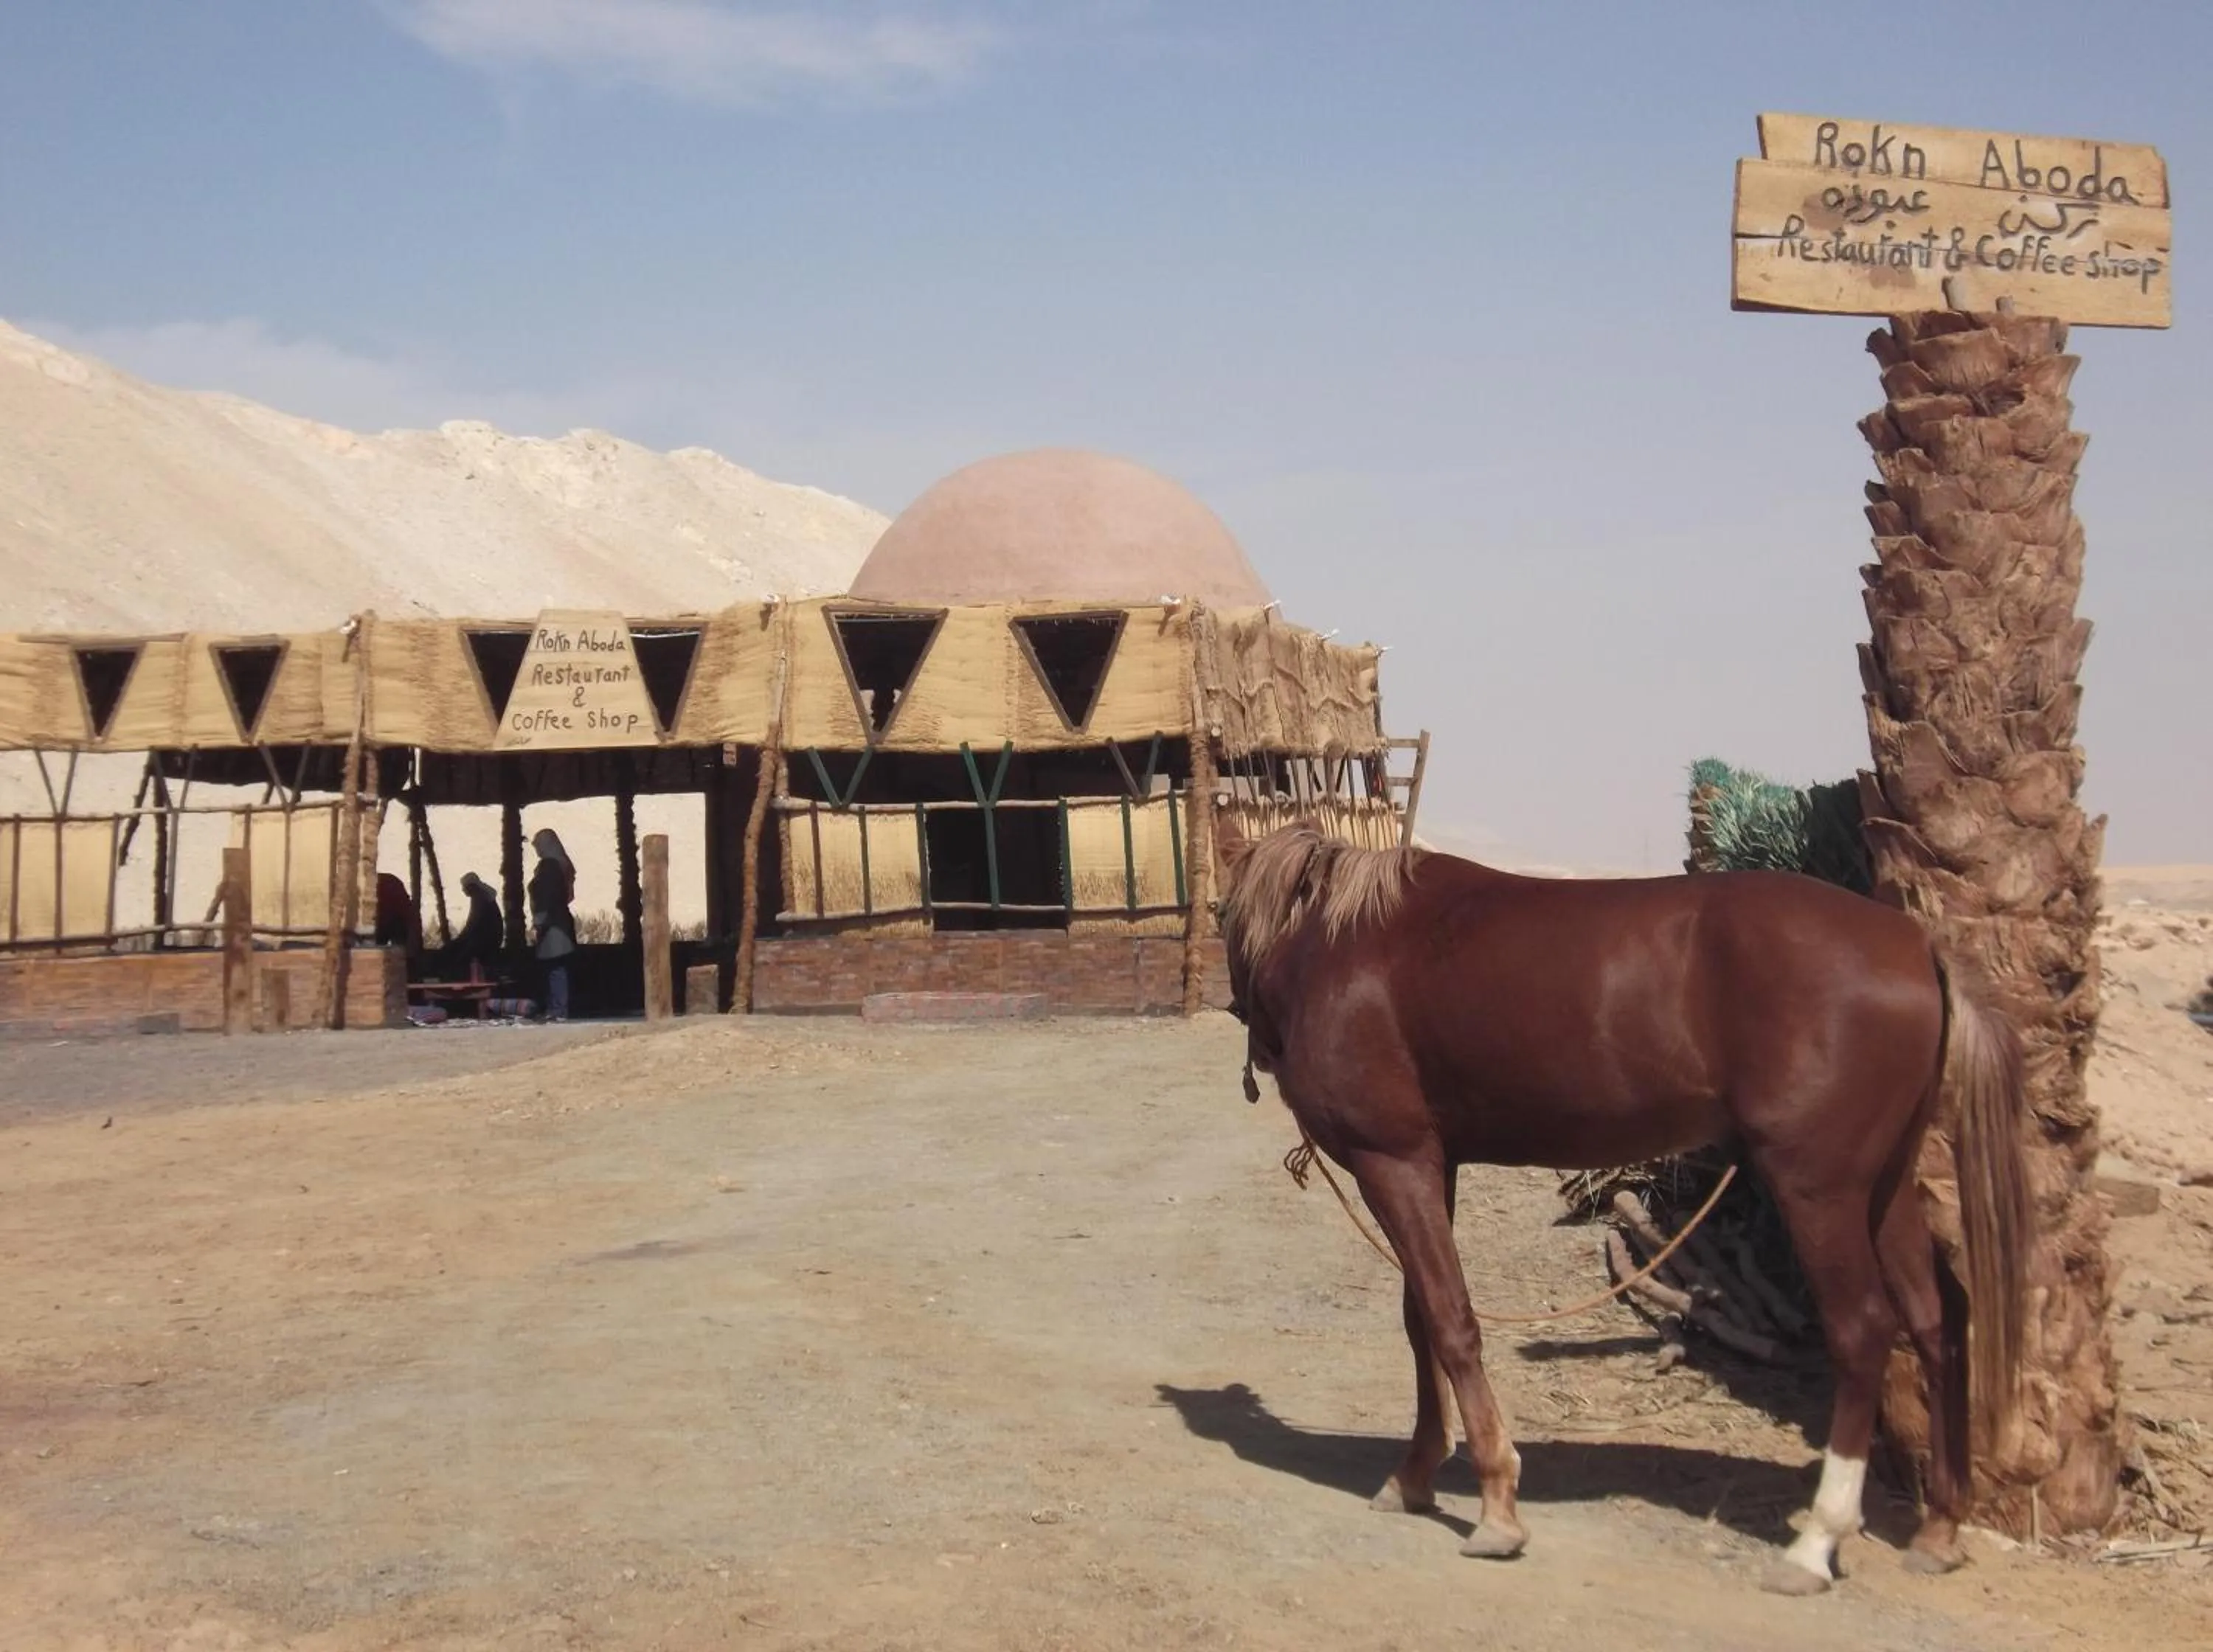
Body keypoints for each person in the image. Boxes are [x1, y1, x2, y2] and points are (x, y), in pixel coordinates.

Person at [528, 827, 578, 1021]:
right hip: (558, 922)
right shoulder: (561, 865)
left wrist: (538, 924)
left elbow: (546, 897)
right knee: (556, 968)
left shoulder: (549, 865)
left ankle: (558, 1010)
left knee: (556, 969)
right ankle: (556, 1008)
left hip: (553, 925)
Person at [437, 871, 505, 980]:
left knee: (459, 959)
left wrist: (459, 940)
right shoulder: (482, 896)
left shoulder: (479, 898)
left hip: (486, 940)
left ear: (471, 886)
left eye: (464, 887)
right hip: (488, 938)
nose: (463, 890)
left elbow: (473, 924)